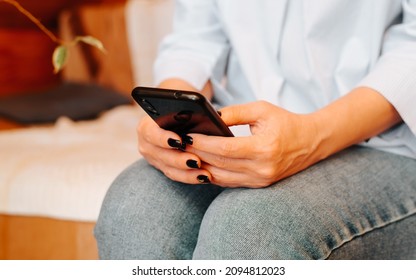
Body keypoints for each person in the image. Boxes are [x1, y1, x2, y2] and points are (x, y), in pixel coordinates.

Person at [94, 0, 416, 259]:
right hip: (240, 132)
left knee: (252, 227)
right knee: (133, 207)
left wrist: (312, 135)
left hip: (383, 140)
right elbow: (196, 36)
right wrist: (173, 109)